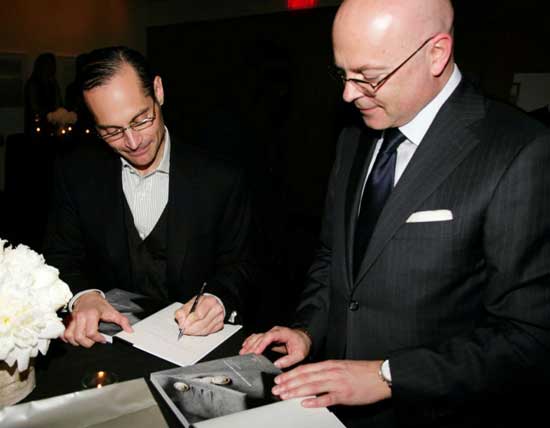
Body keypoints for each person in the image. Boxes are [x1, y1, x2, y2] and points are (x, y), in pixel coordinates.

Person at [240, 0, 550, 426]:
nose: (348, 94)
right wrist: (308, 329)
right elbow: (335, 259)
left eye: (368, 77)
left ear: (436, 54)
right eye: (342, 74)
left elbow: (530, 336)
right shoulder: (354, 136)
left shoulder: (520, 151)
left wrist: (389, 375)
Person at [44, 46, 255, 348]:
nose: (132, 142)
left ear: (158, 91)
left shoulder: (220, 175)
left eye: (141, 119)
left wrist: (218, 297)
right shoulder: (76, 173)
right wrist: (84, 296)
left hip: (197, 348)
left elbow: (242, 263)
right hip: (110, 349)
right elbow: (60, 255)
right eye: (112, 131)